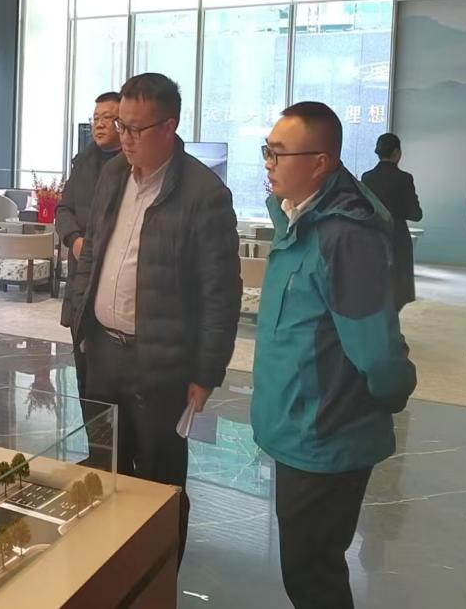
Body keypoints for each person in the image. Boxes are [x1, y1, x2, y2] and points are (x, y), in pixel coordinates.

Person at [67, 73, 241, 564]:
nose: (124, 138)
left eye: (135, 129)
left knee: (160, 483)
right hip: (103, 353)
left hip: (161, 364)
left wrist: (206, 373)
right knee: (105, 469)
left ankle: (158, 579)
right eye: (120, 126)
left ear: (169, 126)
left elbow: (220, 294)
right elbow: (93, 253)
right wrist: (82, 324)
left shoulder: (204, 193)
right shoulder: (112, 175)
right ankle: (108, 568)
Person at [251, 101, 416, 609]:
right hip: (298, 428)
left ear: (320, 163)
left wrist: (387, 396)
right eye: (266, 151)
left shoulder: (345, 235)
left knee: (312, 575)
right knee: (305, 569)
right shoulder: (296, 218)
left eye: (278, 154)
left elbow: (379, 353)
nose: (268, 164)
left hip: (325, 436)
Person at [56, 91, 121, 388]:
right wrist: (74, 239)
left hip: (113, 278)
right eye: (96, 118)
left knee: (110, 378)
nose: (100, 124)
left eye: (108, 118)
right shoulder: (82, 163)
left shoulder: (131, 166)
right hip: (80, 277)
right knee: (84, 376)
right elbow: (63, 209)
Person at [361, 132, 423, 310]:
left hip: (372, 236)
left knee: (374, 286)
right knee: (398, 289)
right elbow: (416, 214)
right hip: (397, 237)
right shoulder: (405, 178)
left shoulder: (367, 177)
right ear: (396, 152)